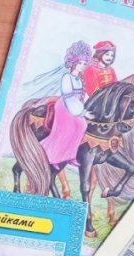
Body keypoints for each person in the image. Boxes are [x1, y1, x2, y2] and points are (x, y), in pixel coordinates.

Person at [39, 41, 93, 197]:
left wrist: (87, 106)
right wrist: (82, 112)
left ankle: (69, 154)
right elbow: (68, 97)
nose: (82, 66)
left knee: (82, 125)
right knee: (80, 125)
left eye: (84, 64)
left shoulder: (79, 79)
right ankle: (56, 155)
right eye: (80, 63)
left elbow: (83, 96)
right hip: (65, 106)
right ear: (73, 63)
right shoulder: (67, 78)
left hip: (76, 105)